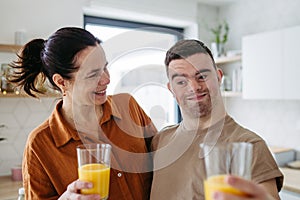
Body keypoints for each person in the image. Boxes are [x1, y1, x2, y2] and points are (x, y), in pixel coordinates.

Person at [9, 27, 157, 199]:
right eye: (93, 75)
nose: (106, 79)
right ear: (61, 82)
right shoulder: (40, 144)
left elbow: (162, 158)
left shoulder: (128, 106)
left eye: (105, 68)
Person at [150, 39, 283, 200]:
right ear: (171, 88)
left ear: (219, 77)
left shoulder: (249, 146)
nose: (194, 87)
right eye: (181, 82)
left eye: (201, 76)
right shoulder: (161, 140)